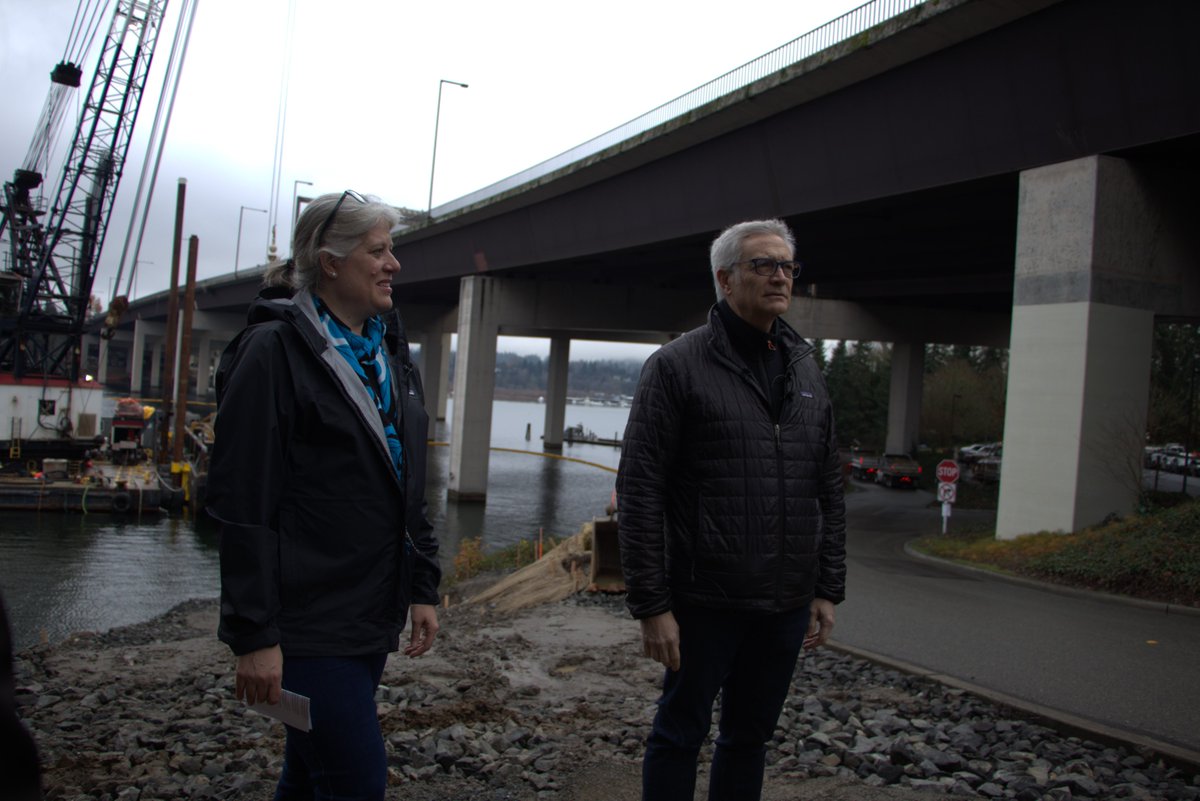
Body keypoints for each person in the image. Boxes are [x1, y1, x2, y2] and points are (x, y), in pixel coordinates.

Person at [208, 190, 441, 800]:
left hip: (368, 611)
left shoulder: (386, 350)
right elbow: (244, 501)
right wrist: (254, 635)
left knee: (310, 772)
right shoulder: (274, 352)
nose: (394, 264)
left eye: (393, 249)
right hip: (307, 622)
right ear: (330, 262)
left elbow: (403, 478)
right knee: (357, 780)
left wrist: (422, 585)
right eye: (378, 250)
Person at [616, 218, 846, 801]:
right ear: (725, 278)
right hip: (703, 599)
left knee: (750, 738)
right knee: (679, 734)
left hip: (786, 601)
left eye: (788, 266)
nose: (780, 276)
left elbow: (827, 486)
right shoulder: (675, 366)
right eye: (763, 264)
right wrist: (651, 603)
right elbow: (641, 488)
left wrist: (827, 587)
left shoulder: (806, 369)